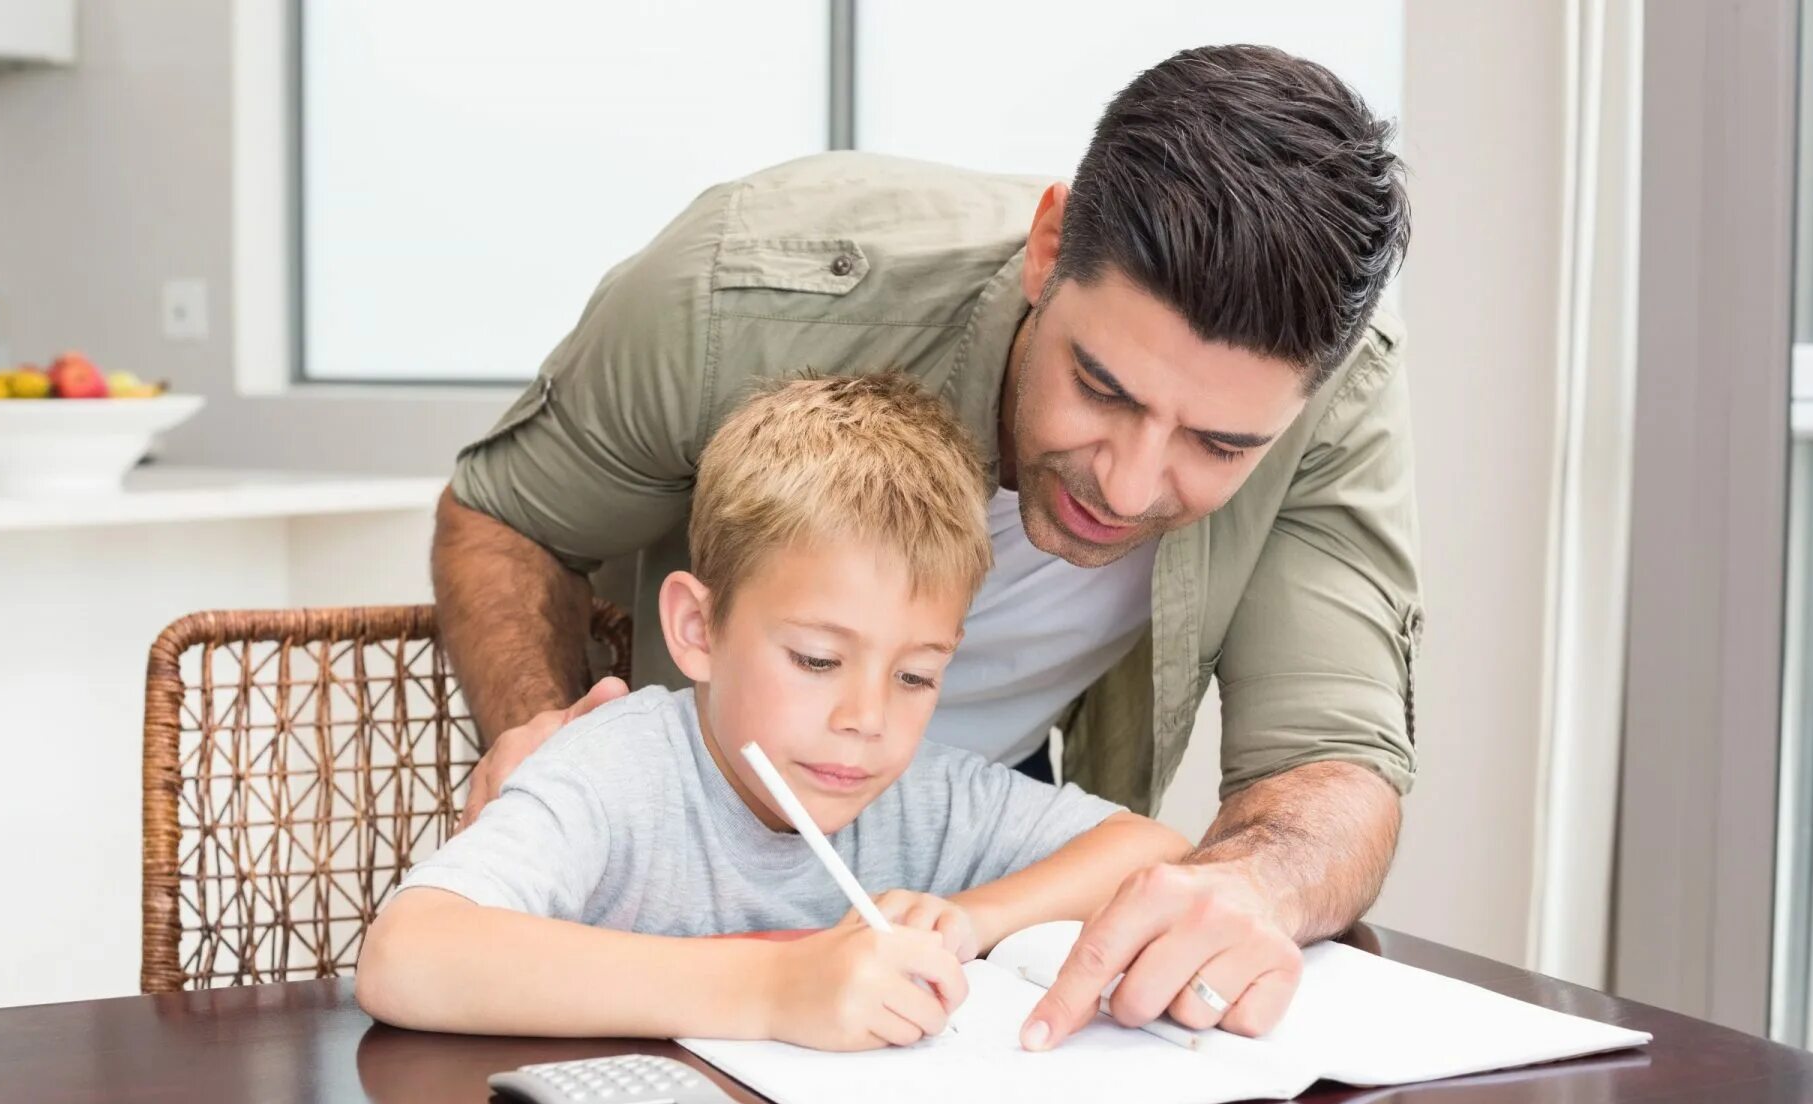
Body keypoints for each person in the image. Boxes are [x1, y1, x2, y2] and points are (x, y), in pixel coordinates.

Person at [432, 44, 1415, 1047]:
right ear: (1048, 247)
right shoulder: (737, 290)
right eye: (1103, 390)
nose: (1125, 487)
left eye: (1218, 445)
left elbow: (1331, 761)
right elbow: (508, 515)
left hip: (965, 878)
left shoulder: (1336, 399)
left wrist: (1247, 884)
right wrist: (550, 735)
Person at [360, 374, 1206, 1049]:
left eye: (915, 676)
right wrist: (773, 991)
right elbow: (407, 954)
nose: (867, 718)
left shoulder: (916, 795)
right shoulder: (612, 772)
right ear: (698, 629)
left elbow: (1156, 854)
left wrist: (975, 919)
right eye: (816, 660)